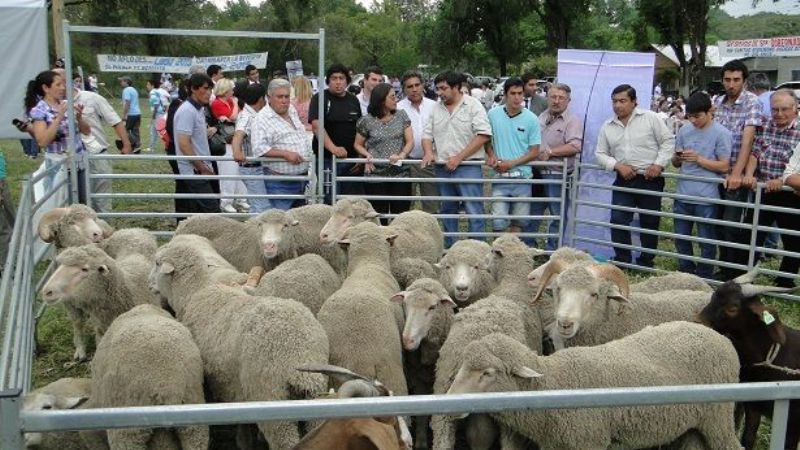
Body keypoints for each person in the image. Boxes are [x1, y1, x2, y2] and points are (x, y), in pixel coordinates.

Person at [595, 84, 674, 268]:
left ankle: (646, 262)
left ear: (634, 102)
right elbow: (600, 154)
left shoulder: (651, 118)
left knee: (649, 221)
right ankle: (622, 259)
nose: (618, 105)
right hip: (624, 178)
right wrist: (617, 165)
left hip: (650, 178)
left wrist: (658, 164)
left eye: (622, 101)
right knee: (618, 220)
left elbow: (668, 141)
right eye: (614, 101)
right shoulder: (608, 126)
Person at [422, 71, 492, 247]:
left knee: (474, 210)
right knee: (447, 210)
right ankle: (450, 249)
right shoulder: (436, 108)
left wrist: (459, 158)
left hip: (468, 166)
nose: (440, 92)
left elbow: (483, 135)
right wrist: (428, 152)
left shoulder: (473, 105)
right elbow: (426, 134)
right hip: (442, 167)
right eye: (437, 89)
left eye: (444, 88)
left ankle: (477, 250)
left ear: (457, 87)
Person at [741, 89, 800, 287]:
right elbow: (756, 153)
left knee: (793, 240)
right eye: (775, 109)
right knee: (751, 234)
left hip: (790, 193)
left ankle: (784, 281)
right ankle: (746, 276)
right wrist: (749, 174)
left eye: (784, 109)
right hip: (763, 189)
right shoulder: (766, 124)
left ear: (795, 107)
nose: (779, 114)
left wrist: (782, 181)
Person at [671, 92, 732, 279]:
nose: (693, 120)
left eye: (697, 116)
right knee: (681, 237)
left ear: (709, 112)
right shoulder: (684, 130)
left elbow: (724, 165)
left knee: (706, 239)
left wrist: (699, 159)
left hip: (707, 196)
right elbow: (675, 162)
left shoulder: (722, 133)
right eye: (690, 116)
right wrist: (678, 157)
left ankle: (705, 274)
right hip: (683, 193)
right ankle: (686, 271)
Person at [713, 59, 763, 280]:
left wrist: (737, 173)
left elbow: (748, 140)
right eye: (727, 79)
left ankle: (734, 271)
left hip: (737, 173)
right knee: (717, 221)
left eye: (736, 80)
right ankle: (724, 266)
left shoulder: (752, 102)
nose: (731, 84)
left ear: (744, 80)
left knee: (732, 224)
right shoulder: (718, 101)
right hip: (717, 171)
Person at [528, 82, 583, 250]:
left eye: (561, 98)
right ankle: (528, 246)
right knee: (533, 211)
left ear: (568, 100)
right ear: (547, 98)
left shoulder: (572, 121)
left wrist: (550, 152)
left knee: (557, 213)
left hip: (557, 174)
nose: (556, 101)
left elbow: (575, 146)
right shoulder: (541, 117)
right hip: (537, 172)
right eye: (553, 97)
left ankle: (553, 249)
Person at [485, 77, 540, 234]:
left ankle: (513, 255)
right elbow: (486, 140)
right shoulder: (493, 115)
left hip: (523, 177)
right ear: (505, 94)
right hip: (499, 176)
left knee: (520, 221)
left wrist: (512, 163)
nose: (517, 97)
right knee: (498, 222)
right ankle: (499, 255)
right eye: (513, 93)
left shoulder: (532, 119)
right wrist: (491, 154)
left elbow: (534, 151)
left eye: (520, 93)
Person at [25, 70, 91, 202]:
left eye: (64, 84)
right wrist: (59, 116)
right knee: (61, 204)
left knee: (82, 201)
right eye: (58, 84)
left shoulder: (67, 104)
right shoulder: (39, 110)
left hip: (79, 161)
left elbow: (87, 131)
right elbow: (42, 141)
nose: (63, 88)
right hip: (58, 164)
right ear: (46, 88)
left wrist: (79, 118)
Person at [72, 72, 132, 214]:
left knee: (101, 199)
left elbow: (114, 120)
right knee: (77, 200)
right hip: (71, 158)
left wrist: (126, 143)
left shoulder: (92, 98)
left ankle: (105, 231)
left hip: (97, 155)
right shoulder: (54, 104)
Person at [354, 83, 414, 223]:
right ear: (381, 100)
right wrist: (367, 154)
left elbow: (410, 141)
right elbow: (357, 144)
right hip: (376, 176)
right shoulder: (366, 121)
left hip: (400, 174)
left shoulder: (401, 116)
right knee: (378, 217)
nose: (396, 100)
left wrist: (402, 155)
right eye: (392, 97)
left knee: (400, 217)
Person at [251, 78, 312, 210]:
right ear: (269, 97)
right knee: (280, 221)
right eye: (280, 97)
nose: (284, 100)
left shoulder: (291, 109)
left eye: (287, 96)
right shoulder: (261, 119)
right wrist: (285, 154)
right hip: (280, 182)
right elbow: (258, 149)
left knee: (298, 222)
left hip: (301, 178)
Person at [309, 63, 363, 205]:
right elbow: (316, 126)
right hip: (327, 161)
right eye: (334, 78)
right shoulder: (319, 98)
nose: (338, 82)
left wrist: (360, 154)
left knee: (352, 203)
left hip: (351, 162)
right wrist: (333, 148)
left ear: (347, 81)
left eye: (341, 78)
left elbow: (360, 129)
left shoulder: (353, 99)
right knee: (331, 202)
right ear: (328, 81)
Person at [172, 73, 219, 214]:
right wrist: (201, 168)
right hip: (194, 171)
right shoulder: (187, 110)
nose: (209, 93)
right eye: (205, 88)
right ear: (193, 88)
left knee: (201, 213)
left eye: (210, 89)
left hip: (200, 169)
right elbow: (184, 144)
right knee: (212, 211)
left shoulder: (198, 109)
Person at [397, 70, 438, 214]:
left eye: (417, 85)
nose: (414, 89)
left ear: (423, 86)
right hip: (407, 162)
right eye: (409, 86)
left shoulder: (435, 106)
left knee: (432, 205)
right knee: (406, 206)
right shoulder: (398, 108)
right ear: (404, 89)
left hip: (430, 162)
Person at [210, 78, 249, 213]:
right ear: (225, 91)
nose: (233, 92)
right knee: (228, 172)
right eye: (231, 89)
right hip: (224, 142)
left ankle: (241, 199)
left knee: (237, 172)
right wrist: (237, 104)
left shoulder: (230, 102)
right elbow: (232, 117)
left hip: (234, 141)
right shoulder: (217, 104)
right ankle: (226, 201)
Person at [232, 83, 271, 213]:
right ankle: (256, 232)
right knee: (261, 206)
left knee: (259, 204)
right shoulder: (247, 117)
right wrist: (237, 152)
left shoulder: (252, 114)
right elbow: (238, 134)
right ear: (261, 99)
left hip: (255, 167)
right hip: (251, 167)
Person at [0, 151, 15, 276]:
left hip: (2, 180)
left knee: (12, 222)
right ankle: (5, 265)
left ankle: (9, 261)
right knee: (4, 230)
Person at [118, 76, 141, 152]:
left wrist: (124, 115)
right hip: (137, 113)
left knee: (125, 131)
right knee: (135, 130)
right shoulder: (134, 90)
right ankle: (137, 148)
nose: (120, 83)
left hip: (131, 114)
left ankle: (135, 145)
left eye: (122, 81)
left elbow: (127, 103)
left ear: (126, 82)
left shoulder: (126, 90)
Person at [146, 79, 169, 152]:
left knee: (158, 132)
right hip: (161, 113)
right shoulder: (159, 91)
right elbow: (167, 99)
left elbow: (156, 104)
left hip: (157, 114)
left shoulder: (152, 92)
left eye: (148, 84)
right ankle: (152, 147)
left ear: (152, 85)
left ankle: (167, 145)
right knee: (155, 131)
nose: (147, 86)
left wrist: (153, 115)